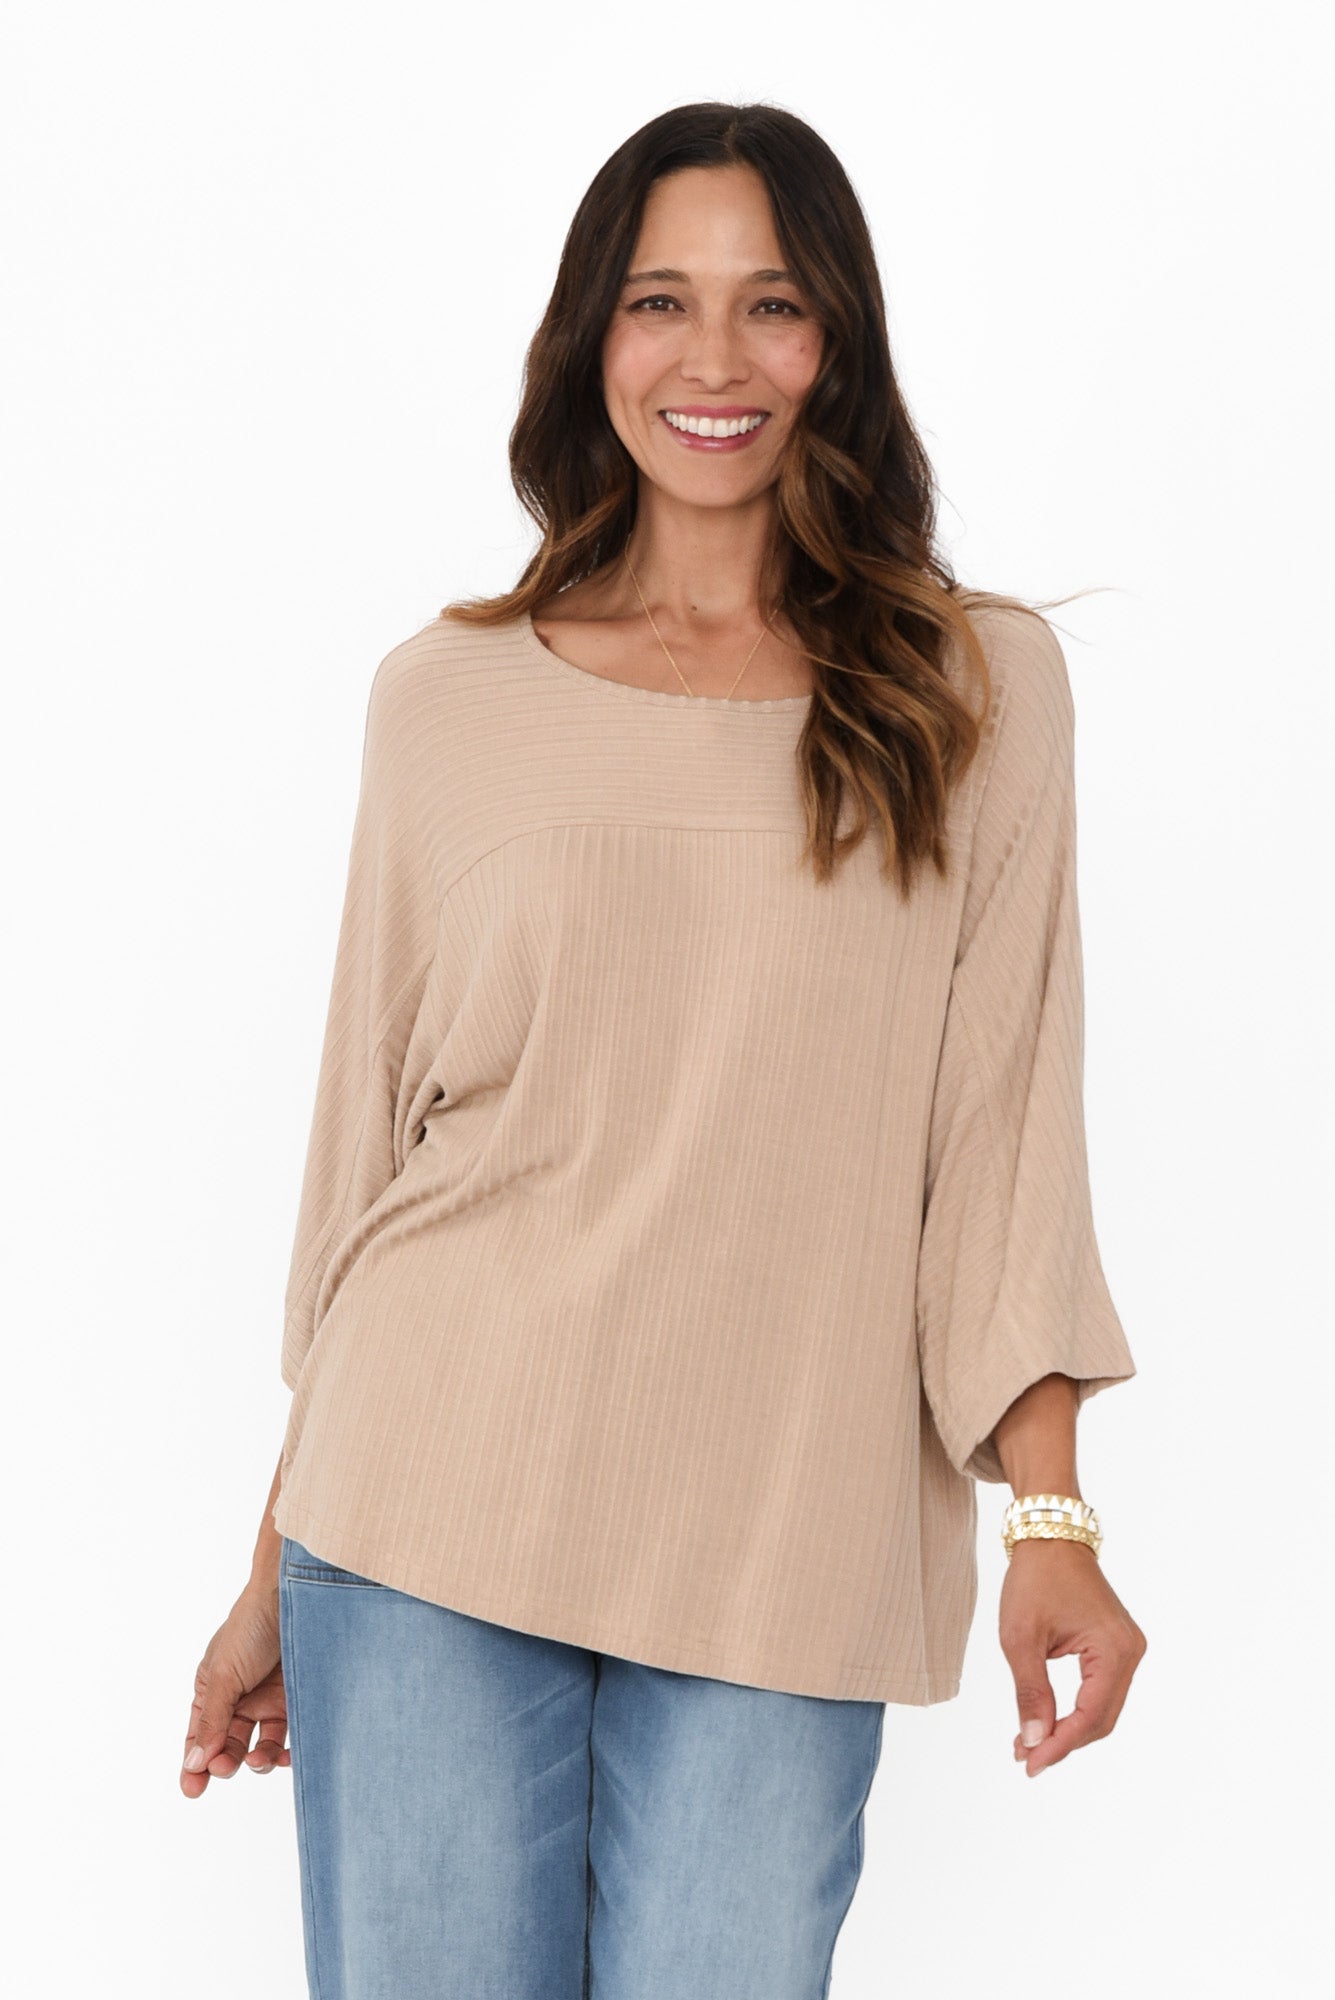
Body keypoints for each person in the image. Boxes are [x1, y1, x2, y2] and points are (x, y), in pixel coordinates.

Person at [179, 101, 1147, 1999]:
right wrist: (272, 1559)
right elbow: (369, 1170)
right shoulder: (445, 699)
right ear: (590, 339)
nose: (716, 360)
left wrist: (1052, 1516)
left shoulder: (969, 688)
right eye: (659, 303)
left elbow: (1005, 1135)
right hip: (425, 1509)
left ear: (837, 343)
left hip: (789, 1535)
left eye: (771, 304)